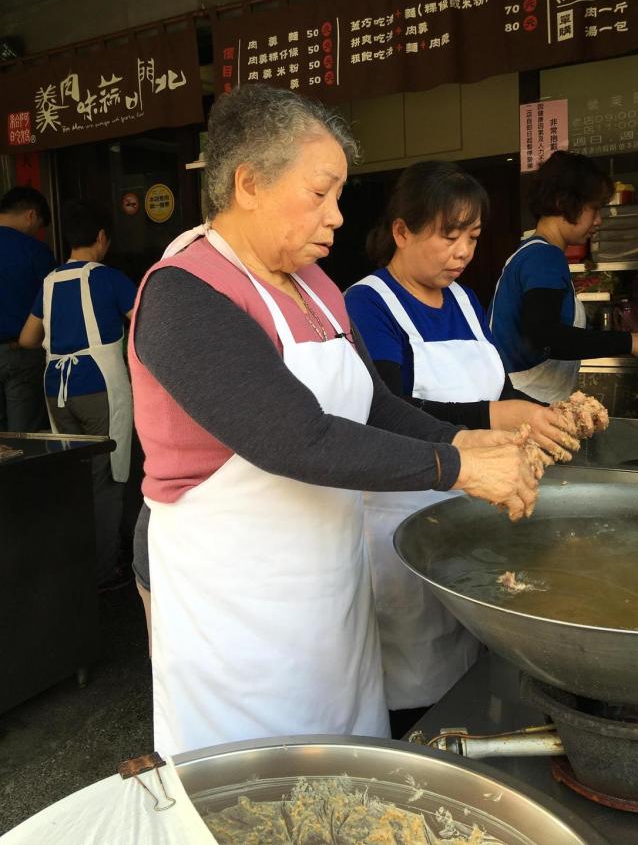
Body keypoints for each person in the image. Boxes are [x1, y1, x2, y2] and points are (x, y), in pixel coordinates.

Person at [127, 84, 538, 757]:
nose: (337, 217)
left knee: (347, 767)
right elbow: (295, 437)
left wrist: (458, 435)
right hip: (237, 607)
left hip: (329, 587)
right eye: (319, 194)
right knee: (262, 785)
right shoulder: (185, 295)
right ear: (249, 183)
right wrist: (460, 467)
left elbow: (371, 402)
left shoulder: (315, 283)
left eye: (338, 196)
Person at [345, 160, 580, 736]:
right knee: (413, 666)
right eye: (448, 235)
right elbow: (387, 408)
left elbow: (495, 388)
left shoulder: (466, 303)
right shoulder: (368, 304)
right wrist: (496, 415)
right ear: (402, 231)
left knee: (470, 660)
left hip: (472, 504)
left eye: (472, 237)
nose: (462, 252)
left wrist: (537, 416)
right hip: (398, 516)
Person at [489, 150, 638, 403]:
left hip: (521, 397)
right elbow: (545, 335)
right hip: (525, 401)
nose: (598, 221)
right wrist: (631, 342)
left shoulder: (528, 252)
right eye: (594, 209)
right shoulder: (544, 257)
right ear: (564, 202)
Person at [19, 200, 136, 588]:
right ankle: (104, 574)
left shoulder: (49, 282)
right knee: (106, 479)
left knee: (72, 479)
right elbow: (146, 324)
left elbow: (27, 338)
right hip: (100, 386)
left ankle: (72, 569)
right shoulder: (109, 278)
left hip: (56, 391)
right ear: (101, 238)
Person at [0, 186, 55, 431]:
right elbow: (54, 301)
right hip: (21, 354)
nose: (37, 232)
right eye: (40, 225)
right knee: (24, 440)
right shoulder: (35, 250)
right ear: (31, 215)